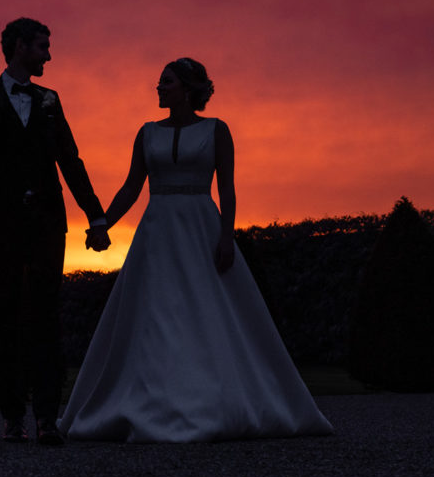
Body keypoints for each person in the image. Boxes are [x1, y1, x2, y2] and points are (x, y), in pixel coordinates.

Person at [58, 58, 334, 442]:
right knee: (152, 314)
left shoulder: (217, 131)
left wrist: (226, 237)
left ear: (188, 89)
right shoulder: (146, 133)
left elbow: (227, 189)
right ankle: (152, 401)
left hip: (201, 228)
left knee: (208, 310)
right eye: (159, 82)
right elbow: (131, 187)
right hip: (156, 233)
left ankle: (212, 399)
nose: (158, 88)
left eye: (166, 82)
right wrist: (102, 222)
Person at [0, 17, 110, 445]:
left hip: (48, 224)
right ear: (17, 47)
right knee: (4, 316)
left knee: (47, 318)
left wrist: (96, 215)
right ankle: (12, 416)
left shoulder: (51, 100)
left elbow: (70, 161)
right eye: (42, 46)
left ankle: (48, 418)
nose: (49, 55)